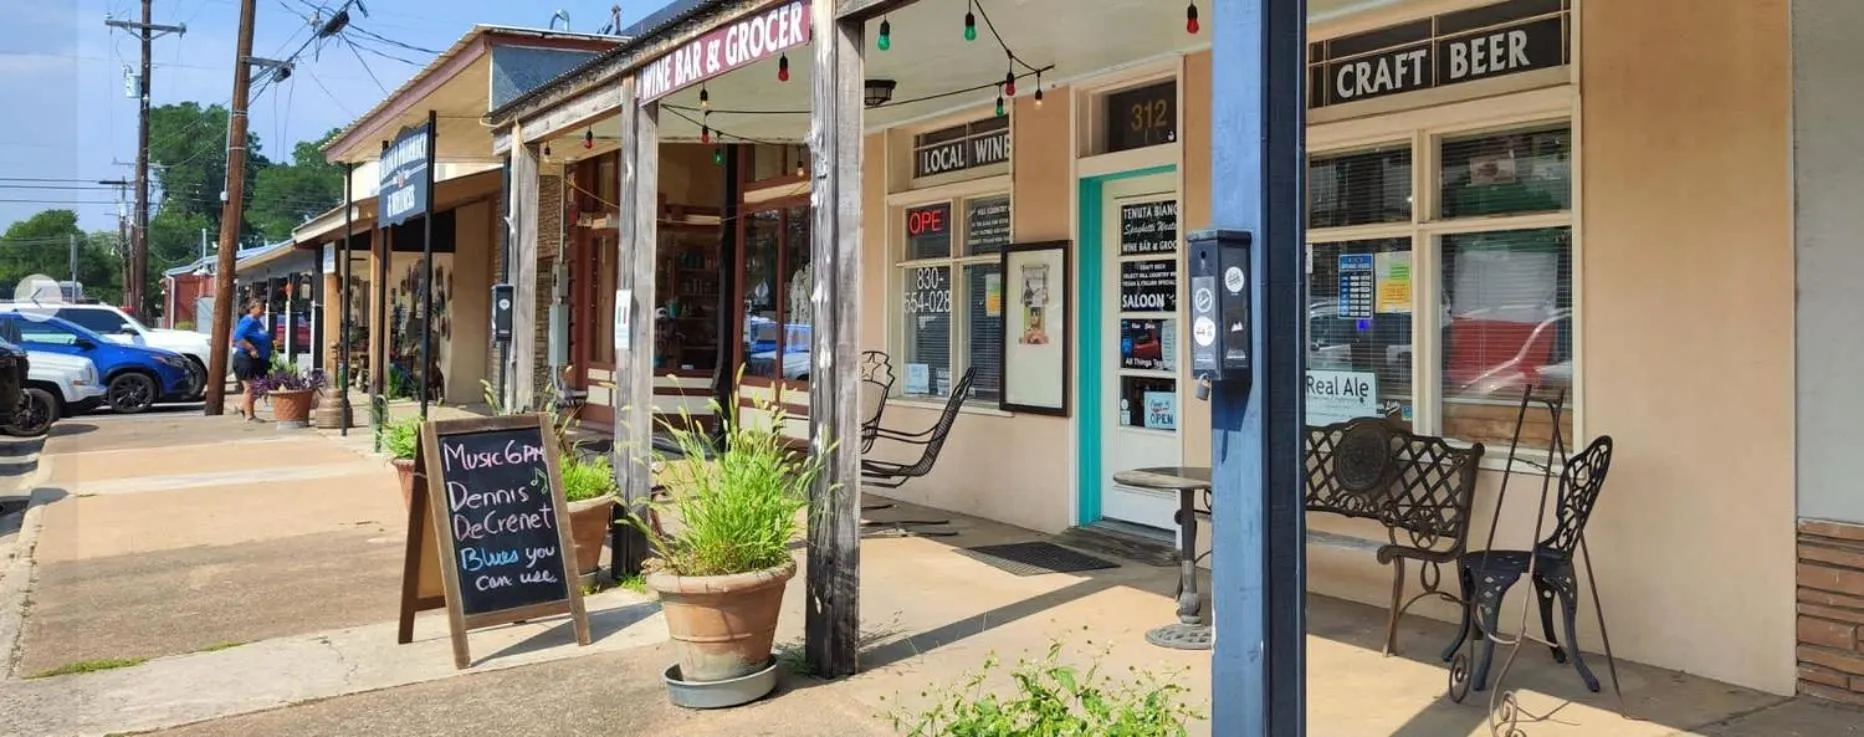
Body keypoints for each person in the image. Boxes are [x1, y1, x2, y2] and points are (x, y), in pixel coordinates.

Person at [232, 300, 273, 422]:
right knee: (250, 388)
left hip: (258, 360)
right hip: (245, 359)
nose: (262, 310)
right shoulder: (247, 321)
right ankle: (249, 416)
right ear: (252, 308)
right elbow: (237, 337)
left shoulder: (257, 322)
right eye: (260, 307)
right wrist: (251, 348)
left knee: (261, 387)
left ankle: (242, 406)